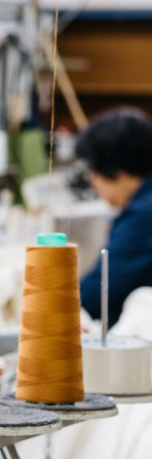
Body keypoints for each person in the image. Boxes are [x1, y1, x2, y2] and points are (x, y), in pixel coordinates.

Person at [76, 108, 152, 324]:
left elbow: (97, 293)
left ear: (117, 170)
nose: (92, 181)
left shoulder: (143, 216)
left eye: (93, 170)